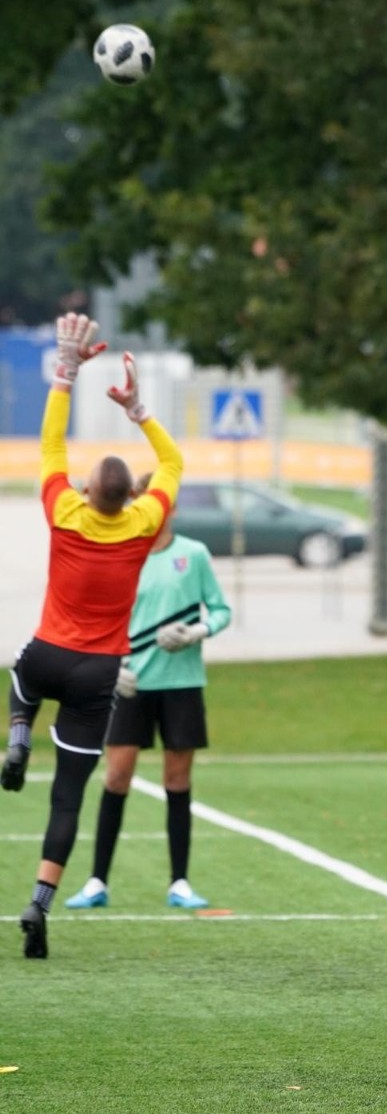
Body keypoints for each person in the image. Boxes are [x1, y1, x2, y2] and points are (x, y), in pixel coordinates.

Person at [1, 312, 183, 959]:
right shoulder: (142, 525)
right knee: (68, 798)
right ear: (131, 498)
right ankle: (39, 903)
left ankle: (18, 735)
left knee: (19, 677)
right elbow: (173, 461)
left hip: (49, 655)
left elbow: (50, 443)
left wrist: (67, 371)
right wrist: (137, 410)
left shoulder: (64, 511)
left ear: (84, 491)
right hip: (98, 673)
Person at [65, 474, 232, 911]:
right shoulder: (121, 553)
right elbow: (97, 618)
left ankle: (179, 882)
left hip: (182, 685)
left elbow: (220, 610)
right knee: (116, 776)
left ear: (170, 508)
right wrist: (110, 665)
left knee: (178, 779)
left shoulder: (192, 554)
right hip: (130, 684)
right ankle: (96, 881)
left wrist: (197, 630)